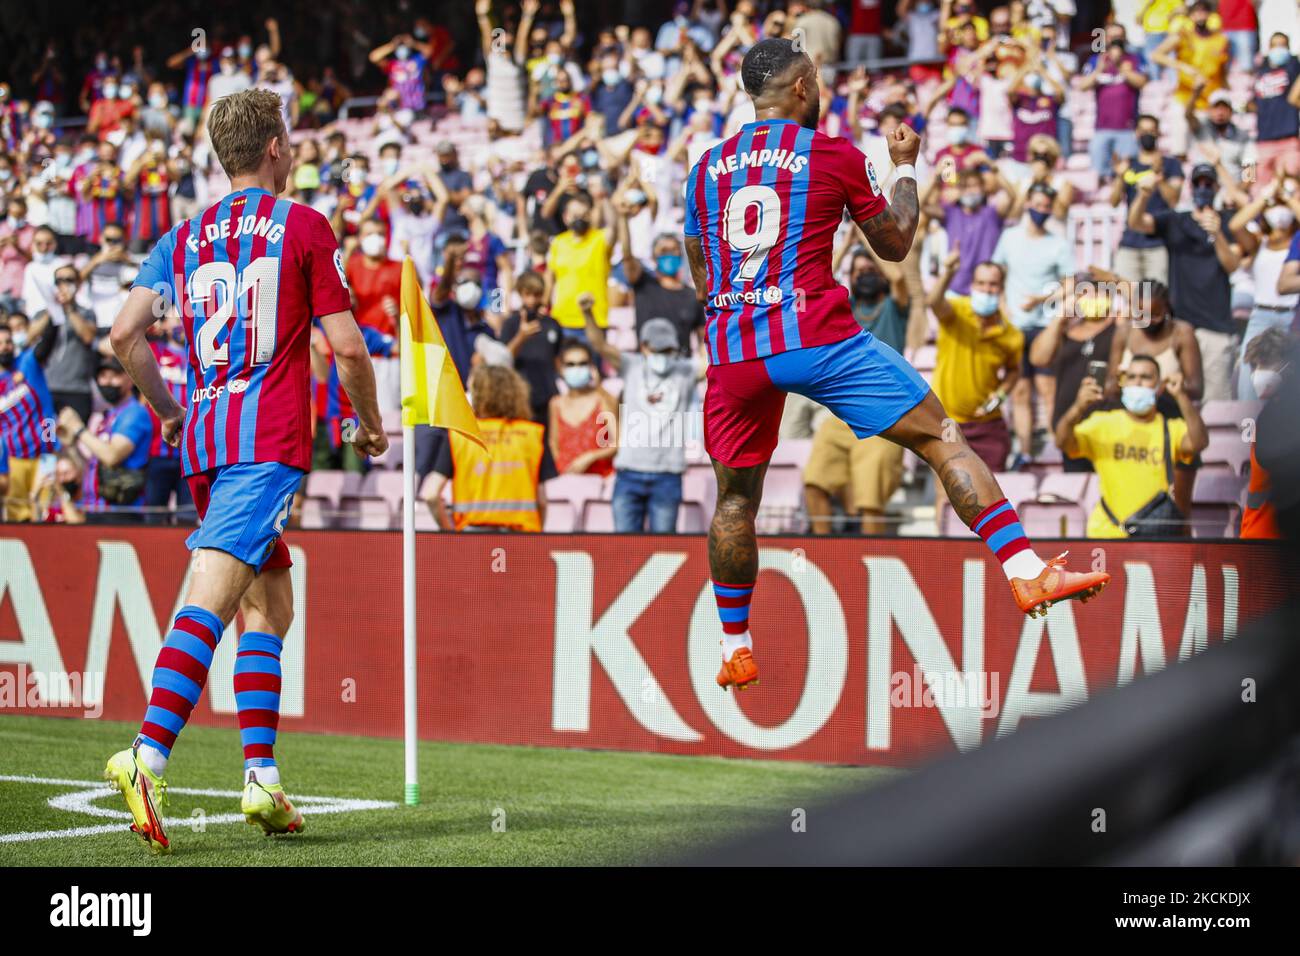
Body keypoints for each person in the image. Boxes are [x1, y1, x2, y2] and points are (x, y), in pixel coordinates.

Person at [683, 39, 1108, 692]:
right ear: (801, 89)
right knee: (944, 441)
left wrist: (737, 307)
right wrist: (905, 166)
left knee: (736, 499)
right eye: (816, 80)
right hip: (818, 339)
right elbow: (895, 242)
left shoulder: (707, 167)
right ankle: (1025, 572)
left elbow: (701, 265)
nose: (820, 89)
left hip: (735, 350)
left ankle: (734, 645)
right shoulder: (831, 154)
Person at [103, 89, 387, 853]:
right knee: (213, 599)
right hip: (266, 443)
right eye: (289, 142)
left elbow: (125, 334)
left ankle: (261, 779)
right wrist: (370, 425)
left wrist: (165, 407)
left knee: (270, 608)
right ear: (273, 149)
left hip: (206, 442)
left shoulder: (182, 237)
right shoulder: (303, 226)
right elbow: (350, 348)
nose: (293, 153)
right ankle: (145, 757)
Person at [1055, 355, 1208, 538]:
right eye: (1132, 377)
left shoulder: (1170, 427)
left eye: (1145, 377)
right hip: (1105, 532)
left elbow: (1198, 442)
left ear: (1159, 387)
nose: (1138, 383)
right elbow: (1063, 442)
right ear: (1123, 383)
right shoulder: (1103, 423)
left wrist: (1181, 396)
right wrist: (1078, 407)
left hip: (1153, 534)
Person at [1128, 162, 1243, 402]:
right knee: (1177, 400)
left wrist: (1217, 234)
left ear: (1216, 187)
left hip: (1216, 327)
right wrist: (1143, 195)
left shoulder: (1227, 221)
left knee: (1215, 405)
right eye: (1198, 183)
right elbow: (1136, 223)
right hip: (1180, 325)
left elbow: (1232, 265)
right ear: (1190, 187)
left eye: (1208, 184)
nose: (1203, 188)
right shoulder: (1175, 220)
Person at [584, 302, 700, 533]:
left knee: (664, 551)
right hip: (629, 472)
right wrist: (587, 314)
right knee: (625, 550)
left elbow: (719, 363)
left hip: (668, 474)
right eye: (657, 350)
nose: (663, 356)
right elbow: (599, 345)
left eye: (668, 350)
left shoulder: (685, 370)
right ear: (644, 347)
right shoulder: (631, 366)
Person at [992, 182, 1074, 465]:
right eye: (1037, 205)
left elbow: (1070, 285)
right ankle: (1024, 451)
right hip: (1014, 326)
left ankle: (1055, 449)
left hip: (1044, 326)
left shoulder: (1058, 244)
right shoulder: (1010, 237)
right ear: (1027, 203)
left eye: (1046, 207)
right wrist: (1003, 309)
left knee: (1048, 388)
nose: (1041, 211)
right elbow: (998, 276)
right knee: (1021, 392)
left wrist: (1040, 300)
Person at [424, 364, 555, 532]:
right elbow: (541, 500)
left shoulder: (460, 436)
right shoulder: (533, 434)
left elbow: (431, 494)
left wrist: (449, 531)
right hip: (522, 538)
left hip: (472, 539)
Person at [1028, 275, 1121, 473]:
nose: (1092, 298)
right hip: (1070, 427)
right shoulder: (1065, 331)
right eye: (1085, 293)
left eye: (1098, 292)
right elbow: (1038, 358)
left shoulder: (1119, 329)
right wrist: (1060, 318)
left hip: (1108, 427)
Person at [1227, 175, 1300, 400]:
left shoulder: (1298, 241)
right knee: (1248, 377)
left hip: (1292, 317)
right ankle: (1247, 428)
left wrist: (1287, 198)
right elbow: (1235, 225)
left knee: (1288, 375)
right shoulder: (1260, 243)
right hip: (1261, 315)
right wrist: (1267, 197)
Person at [56, 356, 152, 523]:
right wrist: (69, 442)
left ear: (130, 378)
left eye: (114, 375)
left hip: (122, 511)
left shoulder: (134, 413)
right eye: (103, 376)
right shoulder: (107, 416)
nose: (107, 382)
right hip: (95, 507)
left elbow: (112, 456)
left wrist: (78, 428)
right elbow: (93, 462)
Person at [1110, 114, 1184, 284]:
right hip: (1130, 242)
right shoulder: (1128, 165)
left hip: (1158, 242)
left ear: (1158, 133)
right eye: (1143, 131)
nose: (1147, 135)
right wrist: (1120, 177)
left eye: (1151, 131)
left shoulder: (1171, 164)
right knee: (1126, 300)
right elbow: (1113, 202)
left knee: (1155, 301)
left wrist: (1160, 177)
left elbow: (1173, 200)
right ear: (1136, 133)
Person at [0, 322, 58, 521]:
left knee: (46, 517)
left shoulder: (27, 363)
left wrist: (50, 443)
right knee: (17, 520)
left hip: (46, 457)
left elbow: (47, 343)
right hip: (11, 461)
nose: (5, 346)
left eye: (7, 341)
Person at [1240, 328, 1294, 539]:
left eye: (1265, 363)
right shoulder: (1269, 416)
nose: (1257, 373)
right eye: (1254, 366)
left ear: (1290, 367)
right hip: (1262, 538)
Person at [548, 337, 618, 477]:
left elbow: (616, 443)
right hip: (565, 477)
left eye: (582, 364)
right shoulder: (556, 403)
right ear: (561, 368)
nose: (577, 368)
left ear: (591, 367)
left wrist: (591, 457)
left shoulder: (602, 400)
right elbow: (553, 443)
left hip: (598, 479)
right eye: (570, 364)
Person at [1253, 33, 1300, 187]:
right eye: (1275, 45)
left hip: (1288, 138)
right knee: (1256, 182)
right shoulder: (1261, 71)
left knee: (1291, 178)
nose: (1279, 49)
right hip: (1263, 140)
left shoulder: (1293, 67)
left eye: (1283, 45)